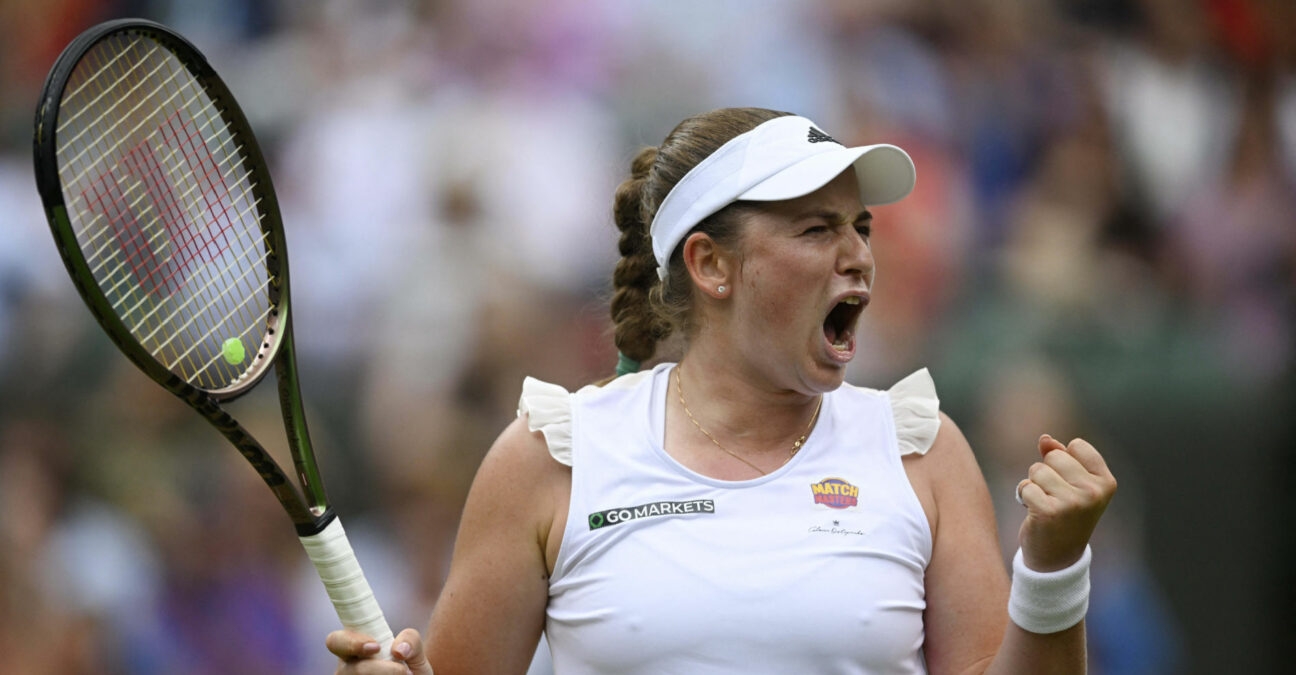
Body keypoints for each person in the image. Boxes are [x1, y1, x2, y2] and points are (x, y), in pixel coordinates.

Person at [326, 107, 1117, 674]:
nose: (859, 256)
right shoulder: (550, 456)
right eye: (816, 229)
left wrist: (1052, 569)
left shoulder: (924, 453)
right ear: (711, 265)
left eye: (861, 227)